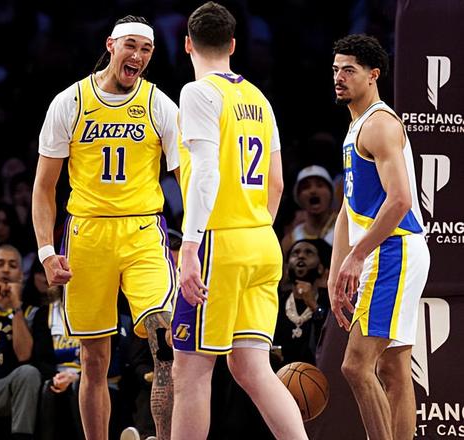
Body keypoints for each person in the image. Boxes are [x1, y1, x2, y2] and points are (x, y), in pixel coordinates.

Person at [33, 14, 179, 440]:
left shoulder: (159, 104)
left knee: (165, 343)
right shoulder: (70, 102)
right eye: (130, 45)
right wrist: (46, 252)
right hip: (88, 233)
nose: (138, 55)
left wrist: (194, 240)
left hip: (143, 231)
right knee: (94, 360)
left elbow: (188, 178)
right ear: (111, 45)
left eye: (146, 49)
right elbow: (44, 187)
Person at [171, 3, 307, 439]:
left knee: (190, 371)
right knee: (252, 368)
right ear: (232, 45)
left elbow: (206, 172)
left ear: (187, 44)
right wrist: (255, 228)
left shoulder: (197, 92)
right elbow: (278, 182)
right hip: (261, 241)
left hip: (219, 242)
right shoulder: (259, 99)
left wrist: (190, 245)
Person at [329, 34, 430, 440]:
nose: (339, 77)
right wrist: (336, 272)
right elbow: (348, 209)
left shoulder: (380, 124)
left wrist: (357, 256)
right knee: (393, 367)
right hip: (388, 249)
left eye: (349, 70)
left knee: (355, 366)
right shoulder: (357, 125)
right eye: (335, 69)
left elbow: (400, 199)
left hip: (393, 249)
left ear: (373, 75)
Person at [0, 245, 41, 440]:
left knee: (29, 373)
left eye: (12, 266)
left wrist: (16, 308)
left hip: (3, 387)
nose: (5, 270)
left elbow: (24, 355)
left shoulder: (31, 313)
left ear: (21, 275)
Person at [274, 239, 331, 366]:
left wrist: (314, 306)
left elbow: (330, 338)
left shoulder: (329, 302)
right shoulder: (276, 302)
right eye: (295, 253)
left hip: (316, 371)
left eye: (308, 252)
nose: (301, 256)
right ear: (287, 268)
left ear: (321, 268)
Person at [280, 165, 337, 255]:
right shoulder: (290, 240)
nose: (313, 191)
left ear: (331, 193)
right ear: (298, 197)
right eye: (306, 187)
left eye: (320, 185)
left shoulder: (346, 231)